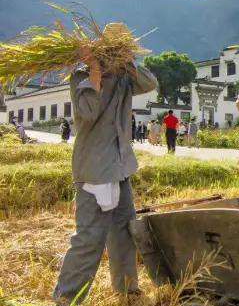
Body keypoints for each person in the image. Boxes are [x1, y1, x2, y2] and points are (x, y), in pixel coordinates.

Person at [53, 23, 158, 305]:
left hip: (121, 167)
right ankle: (67, 298)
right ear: (102, 49)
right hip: (94, 169)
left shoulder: (126, 77)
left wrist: (127, 61)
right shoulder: (81, 76)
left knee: (124, 230)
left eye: (121, 49)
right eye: (113, 49)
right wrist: (95, 69)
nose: (116, 54)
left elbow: (150, 83)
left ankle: (127, 288)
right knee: (89, 238)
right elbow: (87, 113)